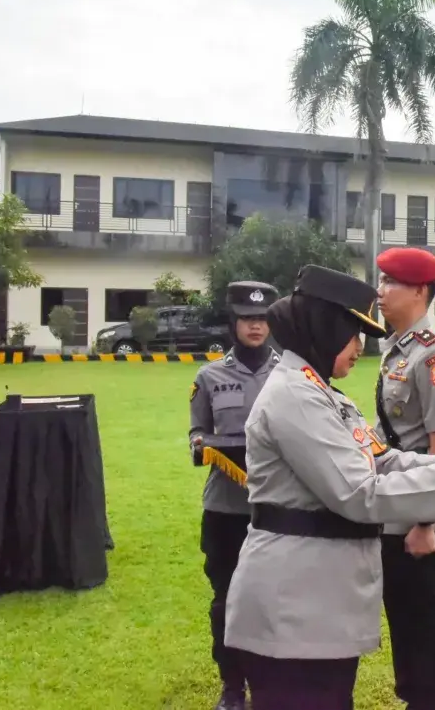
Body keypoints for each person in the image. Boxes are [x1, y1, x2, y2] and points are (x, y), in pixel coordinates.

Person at [222, 265, 435, 710]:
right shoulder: (295, 397)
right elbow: (361, 494)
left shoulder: (321, 392)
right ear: (324, 326)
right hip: (296, 605)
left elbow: (385, 458)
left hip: (317, 603)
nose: (360, 346)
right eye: (353, 331)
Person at [374, 248, 435, 710]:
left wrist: (426, 523)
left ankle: (432, 701)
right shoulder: (397, 347)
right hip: (395, 504)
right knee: (403, 614)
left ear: (419, 291)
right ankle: (416, 697)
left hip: (419, 517)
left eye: (390, 283)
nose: (381, 291)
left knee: (425, 616)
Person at [189, 280, 281, 710]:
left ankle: (270, 682)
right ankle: (232, 686)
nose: (256, 326)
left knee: (274, 598)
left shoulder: (290, 374)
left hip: (278, 509)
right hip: (226, 510)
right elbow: (197, 432)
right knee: (226, 599)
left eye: (262, 318)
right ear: (233, 322)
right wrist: (200, 444)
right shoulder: (209, 376)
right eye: (247, 318)